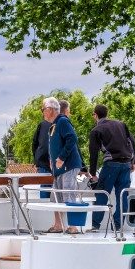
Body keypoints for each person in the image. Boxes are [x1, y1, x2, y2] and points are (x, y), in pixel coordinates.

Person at [88, 104, 135, 232]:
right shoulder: (121, 124)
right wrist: (134, 162)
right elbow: (132, 141)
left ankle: (95, 225)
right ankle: (117, 225)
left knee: (102, 193)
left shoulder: (96, 130)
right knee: (123, 195)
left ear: (96, 115)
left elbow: (93, 153)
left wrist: (92, 173)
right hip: (126, 164)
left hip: (111, 165)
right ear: (107, 113)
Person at [44, 97, 83, 233]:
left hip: (68, 166)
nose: (43, 112)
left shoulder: (62, 121)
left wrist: (61, 157)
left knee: (68, 194)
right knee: (56, 196)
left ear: (51, 109)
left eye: (44, 109)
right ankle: (59, 225)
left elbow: (72, 138)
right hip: (58, 169)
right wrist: (51, 159)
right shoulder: (54, 125)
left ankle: (73, 226)